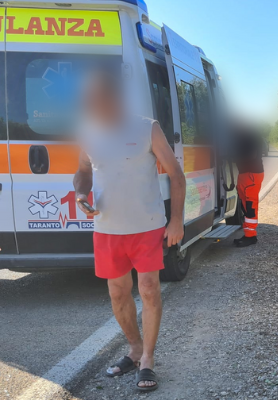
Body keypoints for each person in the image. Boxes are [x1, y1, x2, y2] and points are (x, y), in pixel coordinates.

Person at [73, 72, 186, 392]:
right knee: (118, 293)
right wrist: (81, 195)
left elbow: (177, 176)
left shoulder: (147, 128)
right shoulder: (87, 132)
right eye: (89, 102)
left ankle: (148, 359)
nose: (91, 107)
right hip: (107, 228)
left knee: (149, 289)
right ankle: (134, 349)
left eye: (97, 100)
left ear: (115, 98)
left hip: (147, 225)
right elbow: (82, 173)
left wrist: (176, 220)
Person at [232, 122, 265, 247]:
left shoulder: (251, 137)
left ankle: (250, 237)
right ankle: (248, 234)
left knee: (250, 207)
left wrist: (233, 158)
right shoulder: (247, 136)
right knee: (245, 206)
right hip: (247, 175)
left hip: (251, 175)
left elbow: (251, 155)